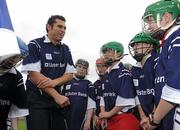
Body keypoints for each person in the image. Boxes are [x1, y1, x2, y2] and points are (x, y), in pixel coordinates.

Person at [21, 15, 76, 130]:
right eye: (59, 26)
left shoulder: (66, 49)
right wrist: (56, 95)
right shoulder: (34, 44)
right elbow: (34, 75)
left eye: (65, 28)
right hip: (37, 101)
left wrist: (54, 82)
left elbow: (70, 75)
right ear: (49, 27)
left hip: (57, 102)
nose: (63, 30)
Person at [141, 0, 180, 130]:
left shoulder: (177, 37)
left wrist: (154, 120)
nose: (148, 26)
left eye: (150, 20)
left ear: (167, 17)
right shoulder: (167, 42)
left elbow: (175, 90)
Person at [98, 41, 141, 130]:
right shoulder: (106, 74)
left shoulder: (124, 73)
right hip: (110, 119)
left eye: (109, 51)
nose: (105, 54)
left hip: (124, 119)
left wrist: (109, 114)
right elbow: (103, 96)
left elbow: (125, 99)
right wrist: (104, 115)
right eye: (104, 52)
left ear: (119, 53)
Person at [128, 32, 161, 130]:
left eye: (138, 44)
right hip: (146, 118)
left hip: (161, 115)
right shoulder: (135, 68)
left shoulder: (158, 60)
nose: (134, 48)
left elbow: (162, 91)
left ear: (150, 45)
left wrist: (153, 118)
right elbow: (137, 94)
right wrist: (143, 117)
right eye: (133, 45)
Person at [0, 30, 29, 130]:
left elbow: (15, 110)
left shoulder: (16, 77)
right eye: (12, 55)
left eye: (17, 57)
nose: (13, 60)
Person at [62, 59, 96, 130]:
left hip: (82, 119)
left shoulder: (89, 84)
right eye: (79, 66)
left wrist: (88, 121)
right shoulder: (66, 81)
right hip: (65, 117)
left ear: (87, 71)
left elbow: (91, 104)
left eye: (84, 68)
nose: (81, 69)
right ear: (75, 67)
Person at [93, 57, 107, 130]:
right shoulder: (94, 84)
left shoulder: (111, 81)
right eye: (98, 66)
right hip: (97, 119)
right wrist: (94, 115)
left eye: (103, 66)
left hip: (109, 118)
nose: (100, 68)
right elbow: (92, 102)